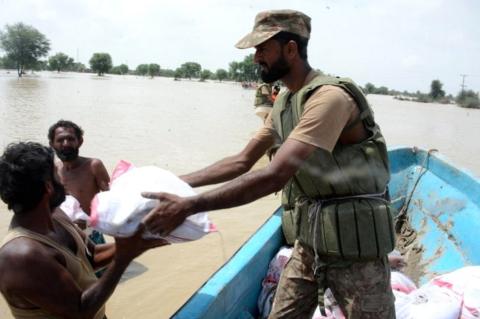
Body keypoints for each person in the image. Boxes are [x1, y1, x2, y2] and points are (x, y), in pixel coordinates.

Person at [142, 9, 396, 318]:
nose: (255, 58)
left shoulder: (329, 98)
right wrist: (173, 182)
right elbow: (241, 161)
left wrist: (188, 205)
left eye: (262, 48)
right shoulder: (286, 103)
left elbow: (274, 176)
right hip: (310, 245)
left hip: (359, 252)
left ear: (290, 48)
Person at [0, 142, 167, 319]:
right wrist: (122, 259)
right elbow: (81, 312)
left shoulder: (56, 214)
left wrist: (139, 239)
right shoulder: (20, 257)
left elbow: (91, 256)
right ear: (48, 188)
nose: (63, 180)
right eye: (57, 174)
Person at [48, 120, 109, 248]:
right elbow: (49, 204)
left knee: (98, 266)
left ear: (80, 141)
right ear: (52, 144)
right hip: (62, 233)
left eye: (70, 139)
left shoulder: (93, 166)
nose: (66, 144)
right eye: (60, 140)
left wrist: (90, 222)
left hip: (90, 233)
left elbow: (112, 201)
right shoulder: (53, 170)